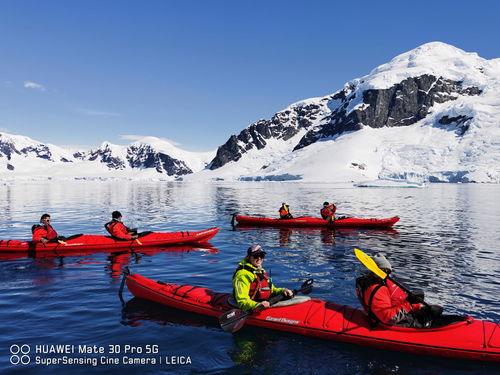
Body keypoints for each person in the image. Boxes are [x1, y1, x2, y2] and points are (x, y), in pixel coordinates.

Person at [356, 253, 444, 328]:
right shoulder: (377, 290)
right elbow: (388, 318)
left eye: (389, 271)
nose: (389, 275)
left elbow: (398, 302)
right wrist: (409, 303)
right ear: (380, 271)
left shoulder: (382, 285)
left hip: (401, 316)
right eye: (387, 271)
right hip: (392, 323)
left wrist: (421, 307)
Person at [232, 245, 293, 311]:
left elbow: (272, 290)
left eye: (261, 256)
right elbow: (242, 301)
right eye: (256, 256)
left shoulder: (260, 271)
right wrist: (257, 305)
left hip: (264, 303)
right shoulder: (242, 275)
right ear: (249, 257)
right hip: (253, 306)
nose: (259, 258)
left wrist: (283, 290)